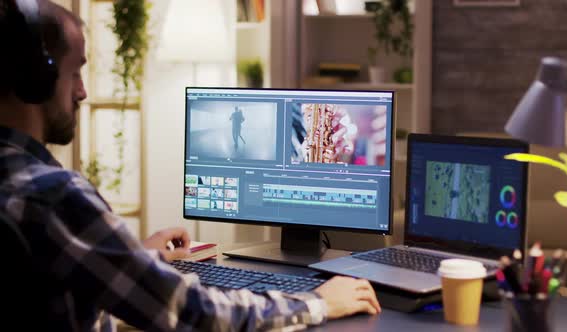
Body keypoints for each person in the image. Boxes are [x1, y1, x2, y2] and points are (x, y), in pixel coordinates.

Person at [0, 1, 381, 331]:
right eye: (75, 71)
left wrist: (136, 262)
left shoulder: (15, 180)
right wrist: (318, 302)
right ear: (36, 79)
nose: (82, 91)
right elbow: (191, 314)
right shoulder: (52, 197)